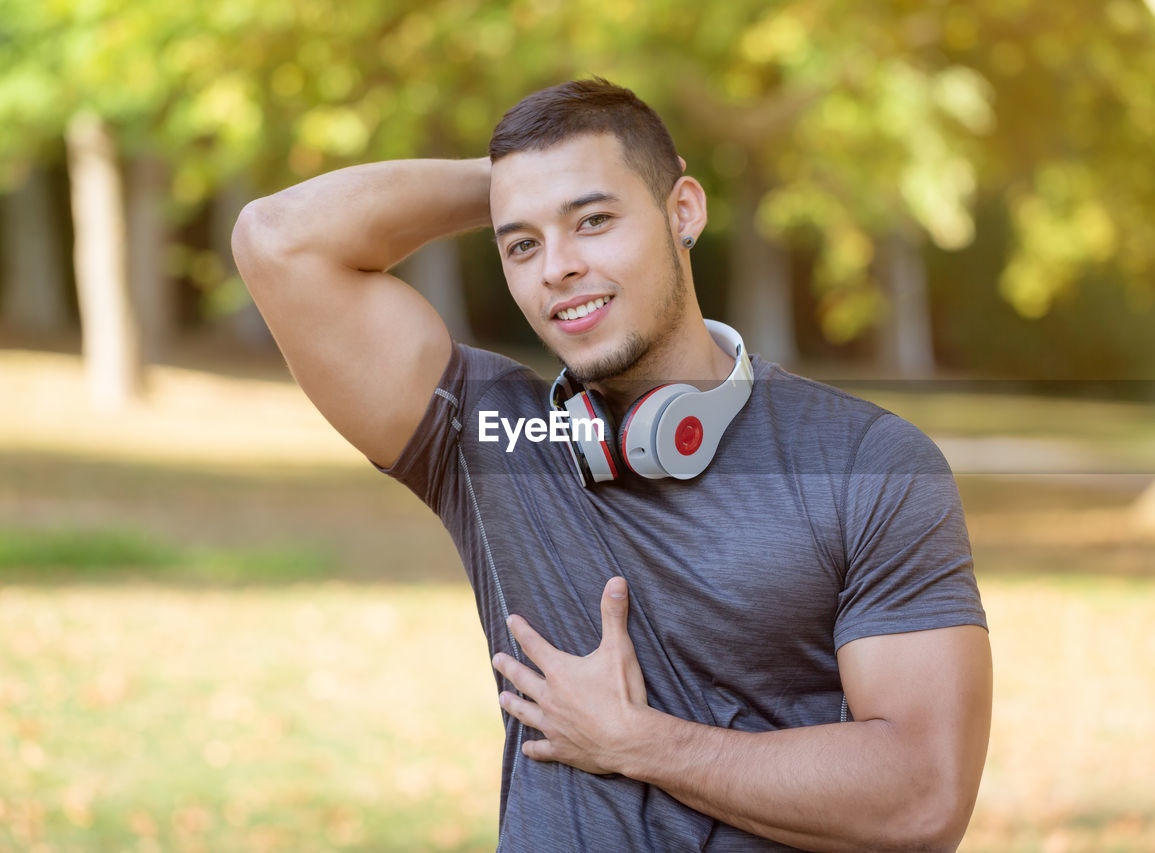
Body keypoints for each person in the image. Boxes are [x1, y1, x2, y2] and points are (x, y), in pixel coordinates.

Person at [232, 77, 992, 852]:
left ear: (682, 211)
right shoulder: (491, 438)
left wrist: (638, 740)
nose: (556, 267)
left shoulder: (871, 463)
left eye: (593, 219)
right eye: (522, 243)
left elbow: (923, 797)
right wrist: (511, 180)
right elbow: (278, 238)